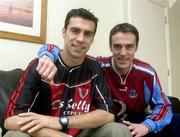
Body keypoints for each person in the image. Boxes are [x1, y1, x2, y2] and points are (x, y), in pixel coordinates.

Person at [4, 8, 132, 137]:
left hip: (80, 133)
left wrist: (61, 121)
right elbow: (10, 120)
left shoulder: (94, 68)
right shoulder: (40, 65)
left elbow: (107, 115)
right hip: (43, 134)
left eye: (87, 34)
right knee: (15, 135)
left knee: (118, 130)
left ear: (92, 39)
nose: (81, 39)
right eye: (75, 31)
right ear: (64, 32)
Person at [36, 23, 180, 137]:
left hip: (139, 122)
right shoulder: (97, 65)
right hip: (108, 124)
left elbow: (164, 105)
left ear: (136, 47)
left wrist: (147, 126)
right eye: (117, 47)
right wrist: (46, 55)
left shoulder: (147, 72)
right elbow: (58, 50)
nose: (123, 53)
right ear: (110, 46)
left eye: (129, 47)